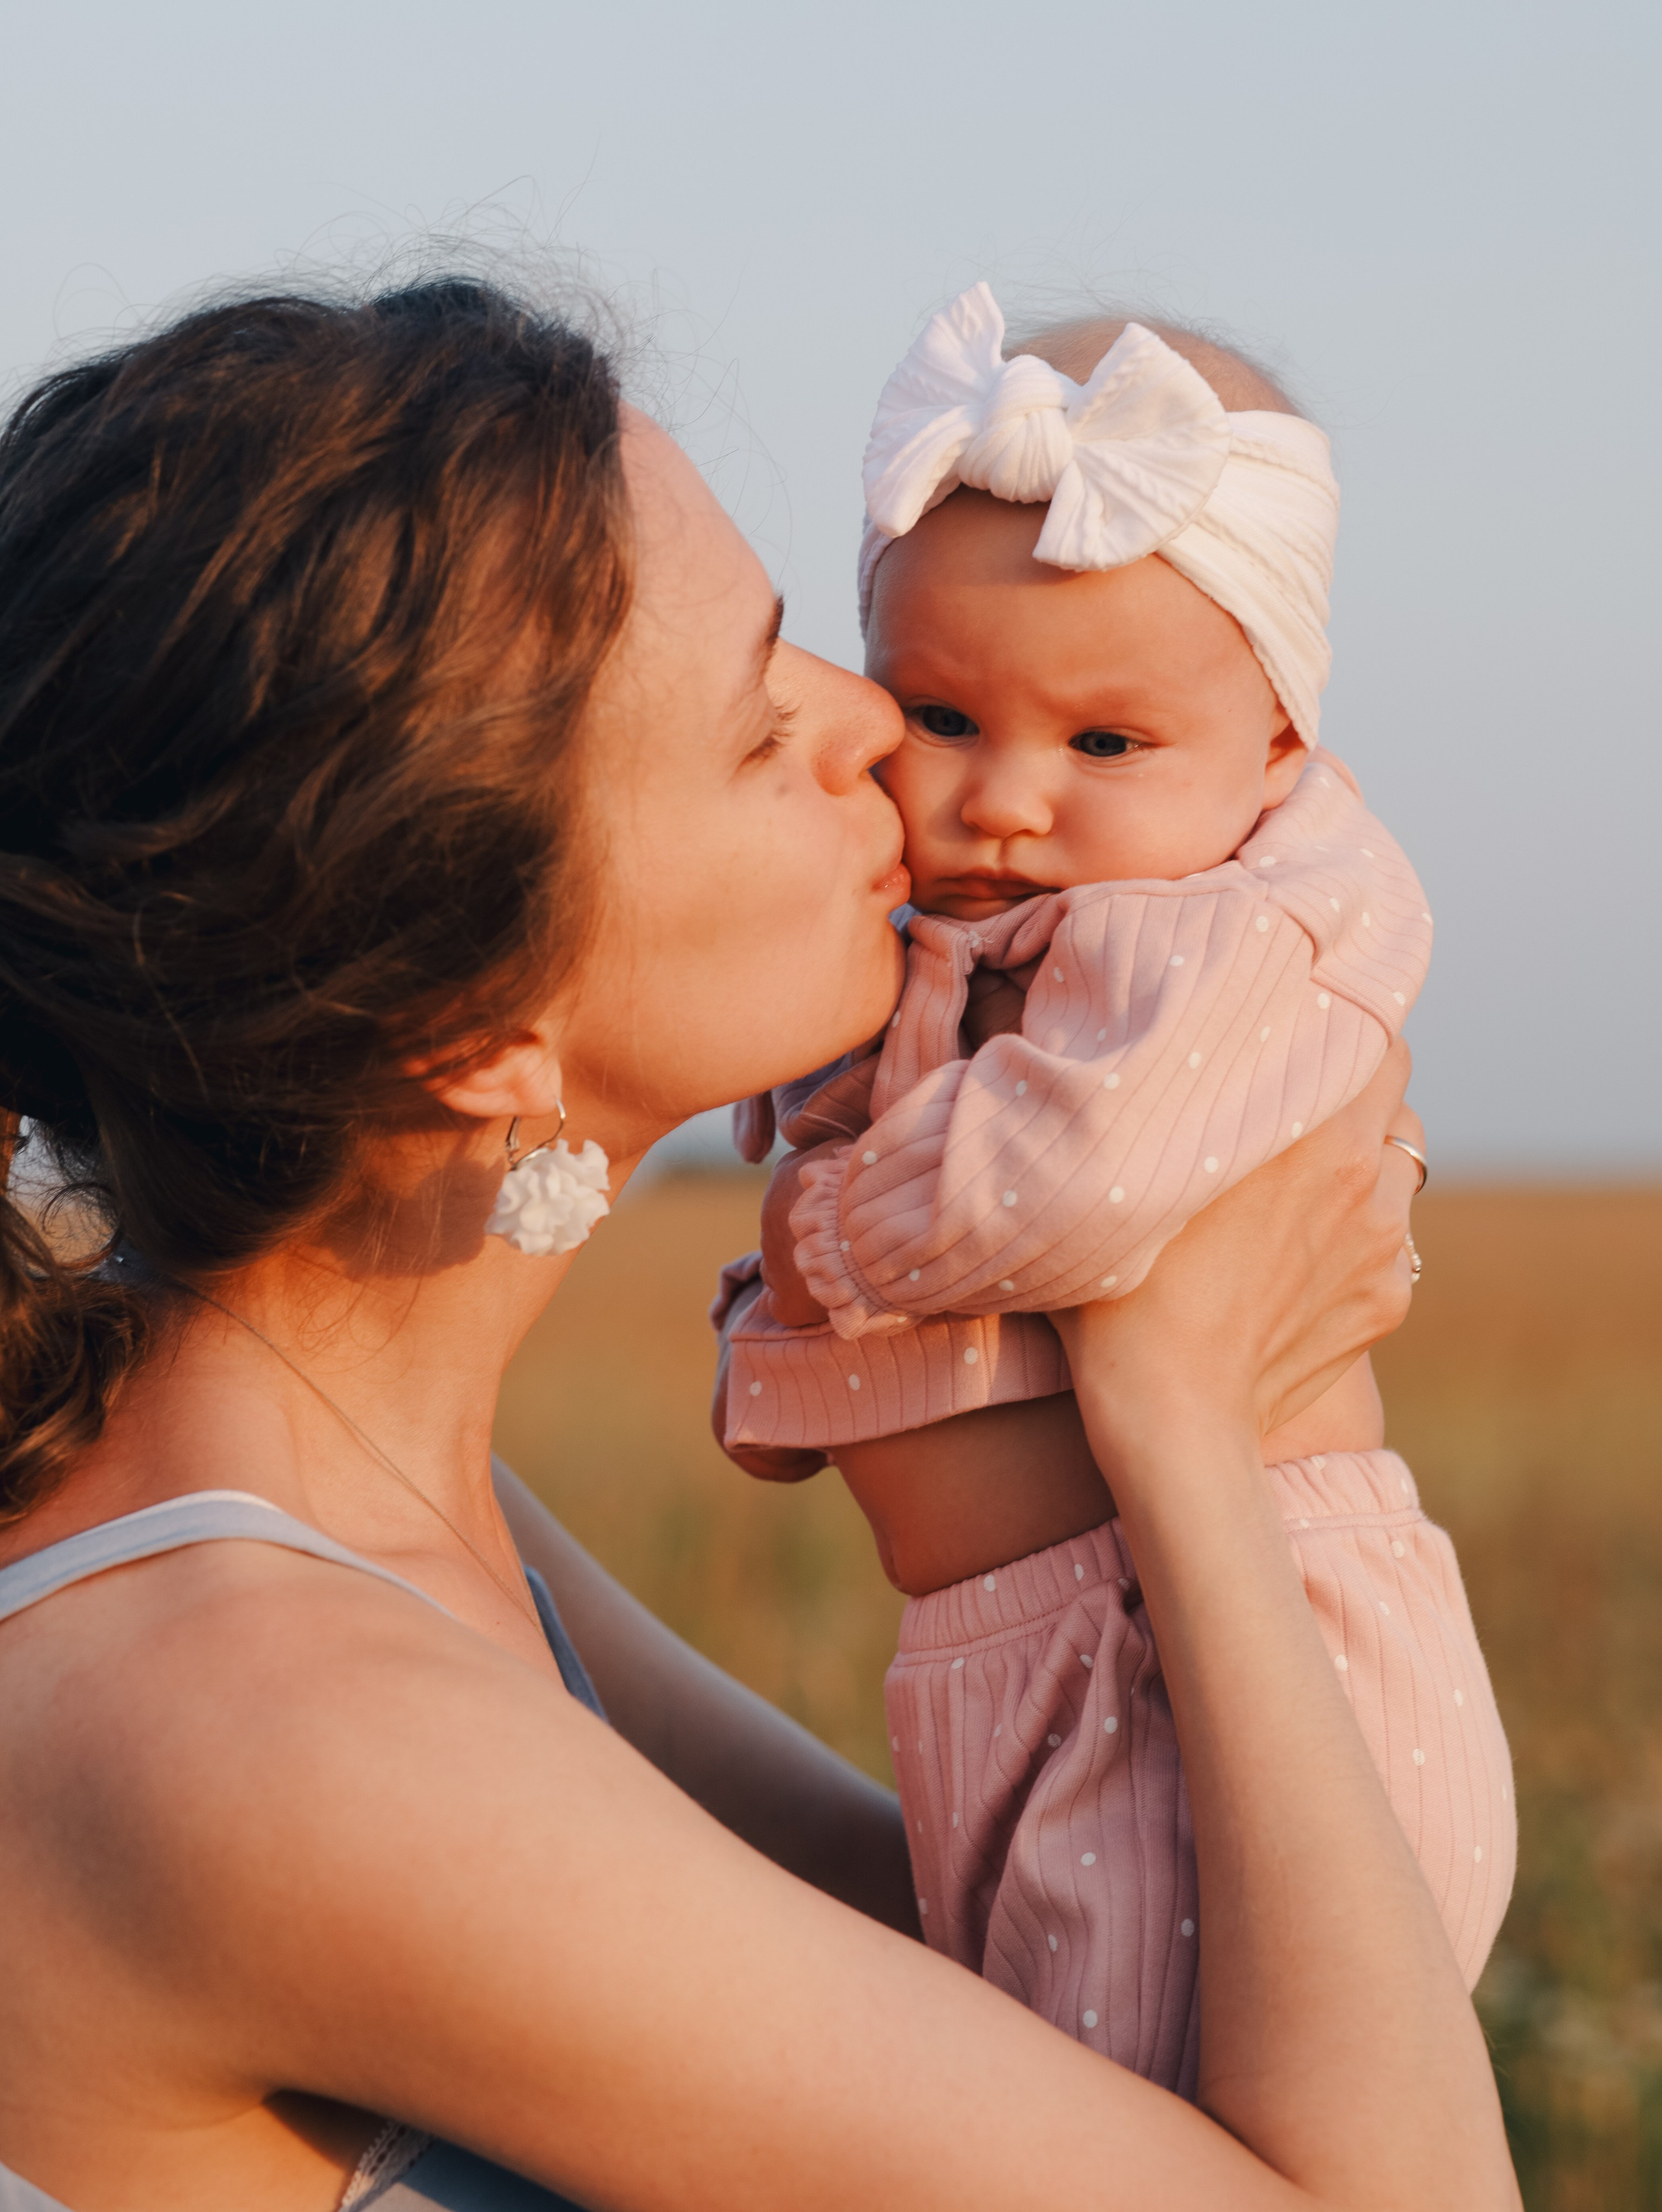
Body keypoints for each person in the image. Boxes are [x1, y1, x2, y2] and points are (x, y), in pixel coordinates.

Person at [0, 274, 1517, 2212]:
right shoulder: (276, 1723)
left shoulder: (341, 1489)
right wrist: (1185, 1426)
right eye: (752, 722)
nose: (870, 723)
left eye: (799, 633)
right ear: (475, 1029)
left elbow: (996, 1999)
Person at [712, 285, 1514, 2092]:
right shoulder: (986, 945)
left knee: (1151, 2142)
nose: (1005, 800)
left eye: (1103, 745)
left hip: (1211, 1657)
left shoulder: (1226, 937)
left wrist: (815, 1248)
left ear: (1277, 748)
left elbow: (1074, 1186)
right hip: (1041, 1653)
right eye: (941, 715)